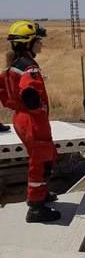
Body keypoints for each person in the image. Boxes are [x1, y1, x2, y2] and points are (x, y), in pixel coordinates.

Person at [0, 21, 61, 222]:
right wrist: (35, 106)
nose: (41, 45)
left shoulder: (12, 67)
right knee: (41, 162)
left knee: (48, 155)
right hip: (33, 120)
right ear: (28, 43)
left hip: (22, 118)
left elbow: (4, 91)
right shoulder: (29, 67)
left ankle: (40, 194)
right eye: (38, 41)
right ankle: (36, 207)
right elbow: (29, 91)